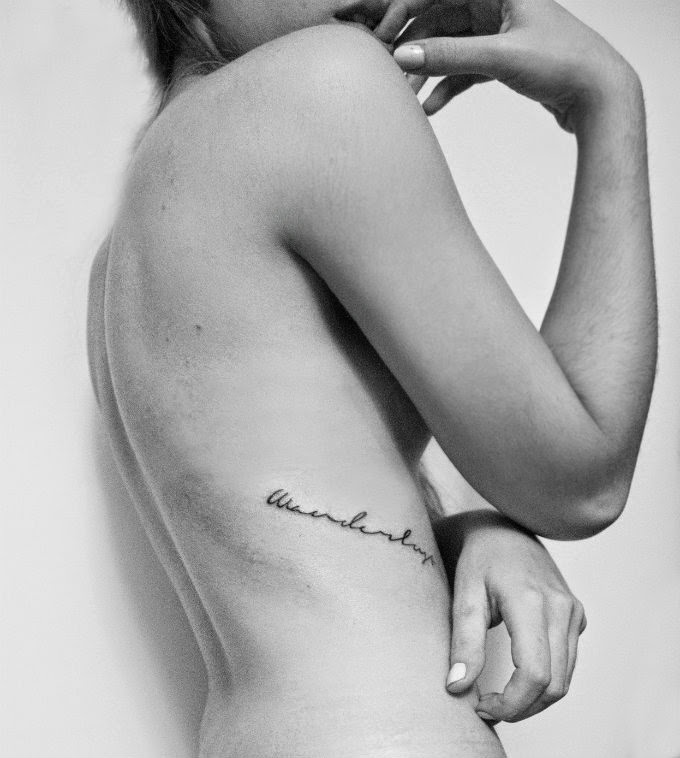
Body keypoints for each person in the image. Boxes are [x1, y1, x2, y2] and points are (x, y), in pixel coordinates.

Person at [87, 0, 656, 755]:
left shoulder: (130, 237)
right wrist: (606, 97)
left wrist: (472, 528)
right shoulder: (320, 81)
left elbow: (295, 513)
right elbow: (583, 482)